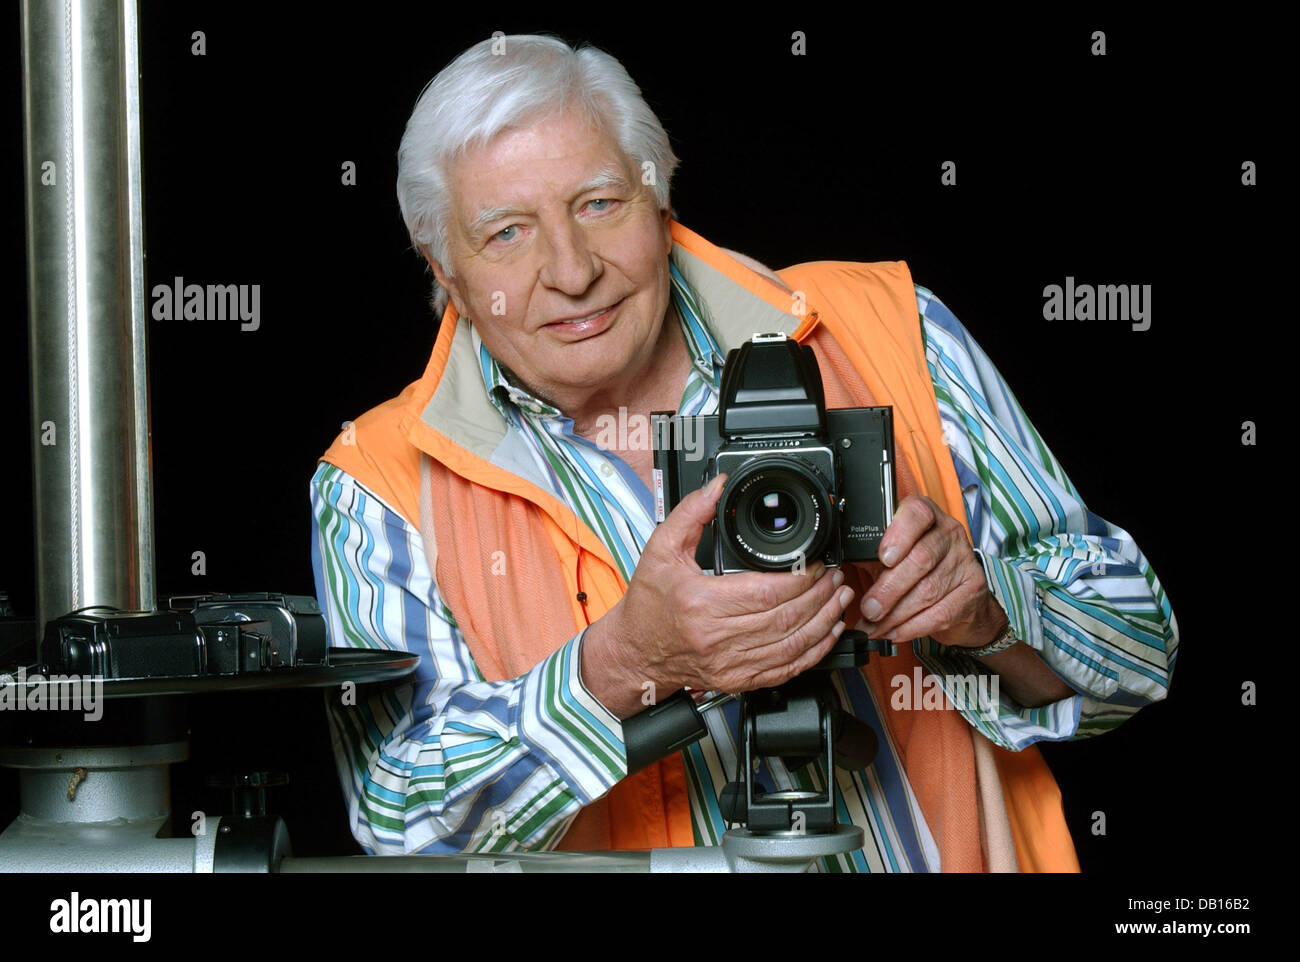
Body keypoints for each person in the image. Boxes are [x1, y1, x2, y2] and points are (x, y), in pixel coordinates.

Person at [309, 34, 1177, 872]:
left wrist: (990, 611)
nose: (570, 271)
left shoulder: (883, 329)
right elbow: (403, 821)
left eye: (598, 204)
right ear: (443, 266)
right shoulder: (380, 483)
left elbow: (1142, 654)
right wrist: (624, 666)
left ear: (660, 198)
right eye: (506, 233)